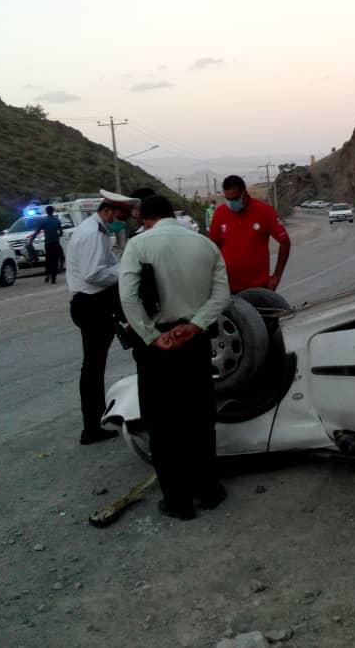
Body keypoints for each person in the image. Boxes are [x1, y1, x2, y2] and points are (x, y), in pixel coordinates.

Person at [118, 194, 231, 520]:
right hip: (194, 344)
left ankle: (178, 502)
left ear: (146, 219)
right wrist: (195, 326)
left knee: (163, 425)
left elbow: (127, 297)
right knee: (199, 417)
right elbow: (221, 294)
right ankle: (208, 491)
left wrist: (153, 336)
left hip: (157, 349)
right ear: (172, 214)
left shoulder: (138, 246)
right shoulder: (204, 244)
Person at [66, 191, 138, 445]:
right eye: (120, 216)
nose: (121, 222)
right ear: (108, 211)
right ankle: (92, 426)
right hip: (91, 305)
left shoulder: (97, 230)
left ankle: (95, 421)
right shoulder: (92, 234)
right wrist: (124, 273)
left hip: (93, 303)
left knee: (95, 366)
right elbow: (93, 274)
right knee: (93, 367)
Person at [208, 175, 291, 292]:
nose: (231, 203)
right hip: (228, 288)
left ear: (244, 194)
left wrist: (277, 276)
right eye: (228, 199)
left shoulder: (264, 211)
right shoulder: (219, 214)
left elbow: (285, 242)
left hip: (260, 287)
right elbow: (211, 249)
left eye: (235, 199)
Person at [28, 205, 64, 284]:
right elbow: (61, 232)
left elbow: (37, 231)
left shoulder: (43, 221)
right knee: (56, 259)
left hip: (48, 243)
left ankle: (48, 274)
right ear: (53, 211)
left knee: (49, 259)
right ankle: (53, 278)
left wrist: (31, 240)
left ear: (46, 212)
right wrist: (58, 235)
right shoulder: (57, 220)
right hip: (56, 243)